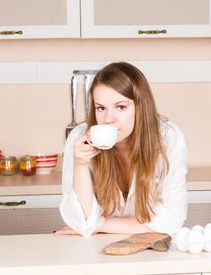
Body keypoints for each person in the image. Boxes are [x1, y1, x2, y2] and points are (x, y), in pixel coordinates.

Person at [57, 62, 188, 237]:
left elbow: (172, 220)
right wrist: (80, 165)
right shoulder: (79, 138)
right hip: (98, 248)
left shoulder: (168, 137)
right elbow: (81, 221)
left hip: (150, 246)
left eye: (121, 107)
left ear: (141, 107)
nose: (108, 119)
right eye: (101, 108)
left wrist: (100, 224)